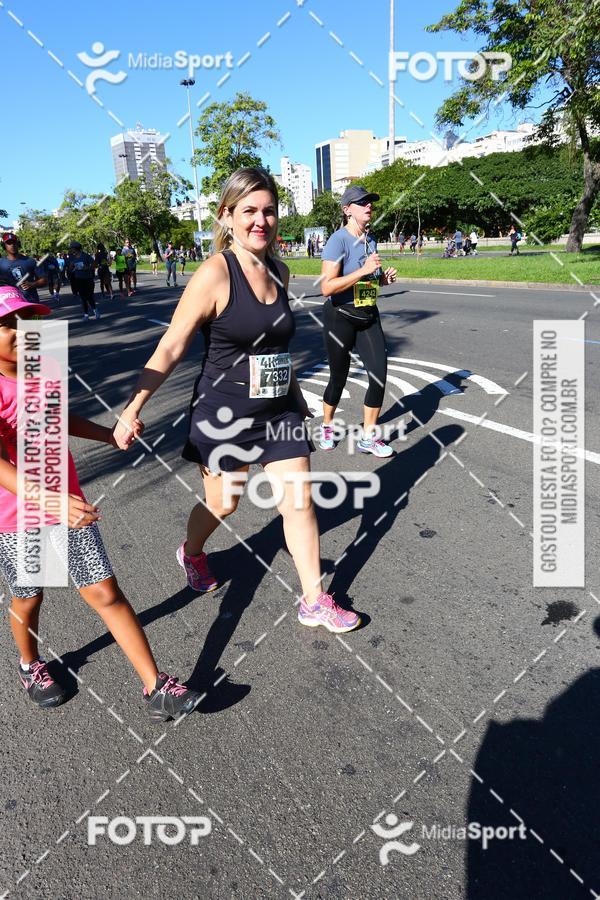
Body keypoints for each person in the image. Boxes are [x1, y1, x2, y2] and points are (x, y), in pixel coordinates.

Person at [114, 167, 360, 635]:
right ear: (227, 216)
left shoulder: (280, 270)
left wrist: (294, 396)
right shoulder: (214, 273)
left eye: (269, 211)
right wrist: (134, 406)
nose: (260, 221)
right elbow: (172, 345)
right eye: (249, 211)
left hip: (279, 413)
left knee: (300, 504)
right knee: (224, 504)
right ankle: (191, 552)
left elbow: (275, 347)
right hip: (224, 415)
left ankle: (314, 600)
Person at [0, 283, 201, 719]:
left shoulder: (43, 364)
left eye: (26, 319)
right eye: (7, 324)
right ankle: (29, 664)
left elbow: (57, 417)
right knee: (30, 597)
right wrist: (49, 502)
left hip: (66, 500)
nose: (21, 330)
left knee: (104, 590)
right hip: (17, 512)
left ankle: (155, 687)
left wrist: (108, 435)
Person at [318, 185, 397, 458]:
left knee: (378, 376)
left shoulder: (370, 239)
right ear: (347, 210)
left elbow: (367, 280)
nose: (368, 206)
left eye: (370, 202)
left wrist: (381, 280)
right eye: (362, 202)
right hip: (340, 316)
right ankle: (327, 426)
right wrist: (364, 270)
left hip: (367, 314)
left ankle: (368, 437)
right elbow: (327, 287)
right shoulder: (337, 241)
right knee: (338, 378)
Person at [0, 234, 46, 301]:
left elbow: (44, 280)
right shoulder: (1, 263)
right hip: (10, 303)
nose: (12, 245)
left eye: (14, 242)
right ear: (4, 246)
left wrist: (32, 284)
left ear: (18, 244)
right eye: (9, 243)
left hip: (31, 302)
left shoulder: (30, 261)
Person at [66, 241, 99, 320]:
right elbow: (70, 270)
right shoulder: (72, 257)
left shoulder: (85, 256)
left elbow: (95, 264)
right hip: (78, 279)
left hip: (88, 278)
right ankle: (86, 315)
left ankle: (95, 311)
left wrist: (87, 268)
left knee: (89, 296)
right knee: (83, 297)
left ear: (76, 248)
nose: (71, 250)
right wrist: (71, 266)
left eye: (72, 248)